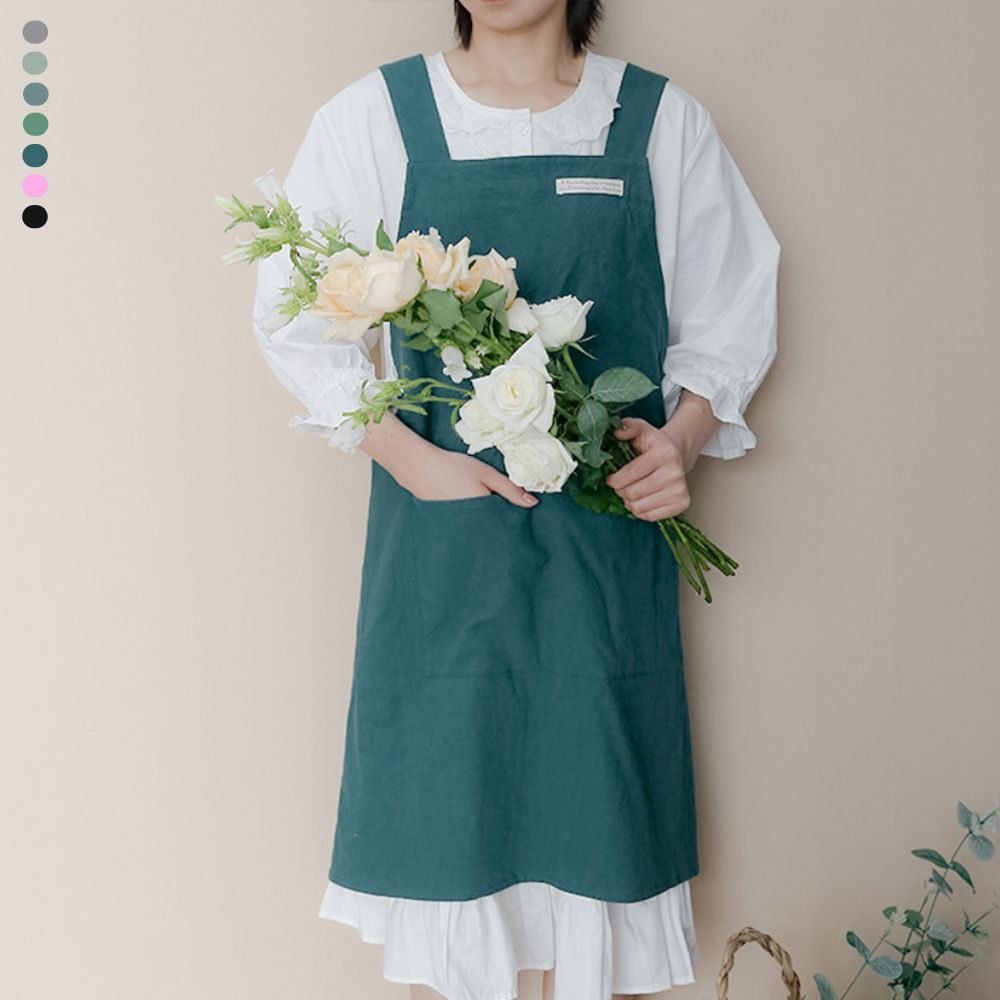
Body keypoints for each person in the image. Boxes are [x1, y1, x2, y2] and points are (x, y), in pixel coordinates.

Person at [251, 2, 780, 998]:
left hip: (602, 553)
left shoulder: (658, 122)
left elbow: (731, 309)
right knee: (449, 847)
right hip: (442, 556)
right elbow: (298, 323)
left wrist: (676, 443)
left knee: (597, 835)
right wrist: (412, 461)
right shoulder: (373, 119)